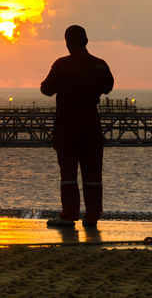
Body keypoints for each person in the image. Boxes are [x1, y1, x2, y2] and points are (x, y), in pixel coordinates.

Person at [40, 24, 114, 229]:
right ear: (87, 41)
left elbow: (46, 90)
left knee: (68, 174)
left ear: (67, 42)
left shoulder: (61, 65)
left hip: (67, 125)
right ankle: (92, 216)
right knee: (93, 174)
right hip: (91, 124)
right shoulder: (100, 65)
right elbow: (108, 87)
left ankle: (69, 214)